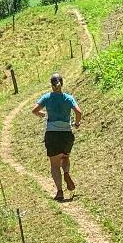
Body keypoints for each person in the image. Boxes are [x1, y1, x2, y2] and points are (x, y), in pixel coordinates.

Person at [31, 72, 83, 201]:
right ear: (62, 84)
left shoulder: (47, 97)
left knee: (54, 165)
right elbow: (78, 112)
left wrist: (42, 114)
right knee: (65, 157)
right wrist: (76, 123)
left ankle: (60, 192)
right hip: (66, 134)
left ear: (51, 85)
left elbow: (34, 110)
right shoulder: (68, 98)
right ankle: (66, 172)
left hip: (52, 134)